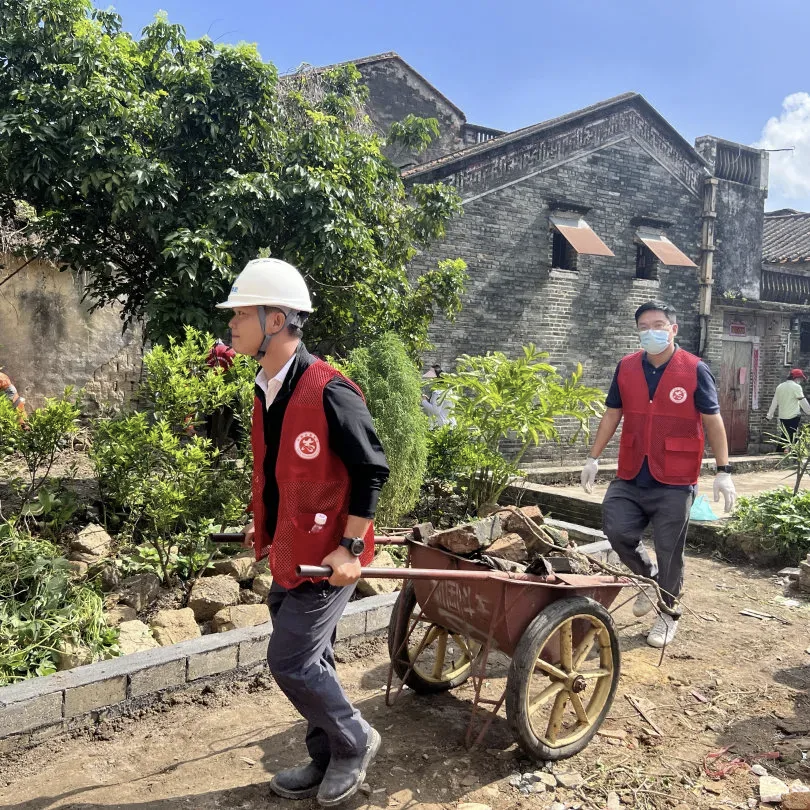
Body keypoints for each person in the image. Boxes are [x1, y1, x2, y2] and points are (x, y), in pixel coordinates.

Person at [216, 258, 389, 807]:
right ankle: (325, 755)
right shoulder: (267, 387)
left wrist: (350, 548)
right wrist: (261, 523)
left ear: (275, 320)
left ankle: (355, 741)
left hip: (328, 558)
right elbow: (279, 471)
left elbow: (370, 470)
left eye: (239, 314)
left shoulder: (330, 390)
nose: (231, 324)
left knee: (290, 661)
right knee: (316, 661)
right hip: (291, 552)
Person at [580, 301, 736, 648]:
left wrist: (723, 470)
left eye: (659, 325)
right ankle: (648, 578)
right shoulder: (626, 367)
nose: (651, 331)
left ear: (673, 329)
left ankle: (668, 612)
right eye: (644, 326)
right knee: (616, 529)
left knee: (670, 550)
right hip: (632, 470)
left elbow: (712, 421)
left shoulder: (694, 369)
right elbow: (612, 413)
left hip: (676, 478)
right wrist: (593, 457)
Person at [766, 369, 810, 451]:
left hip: (782, 416)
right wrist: (809, 411)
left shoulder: (780, 386)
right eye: (800, 379)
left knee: (786, 436)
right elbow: (802, 401)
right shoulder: (796, 387)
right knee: (791, 436)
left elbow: (774, 402)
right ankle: (789, 454)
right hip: (793, 416)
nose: (800, 381)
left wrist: (769, 415)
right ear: (797, 378)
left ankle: (781, 453)